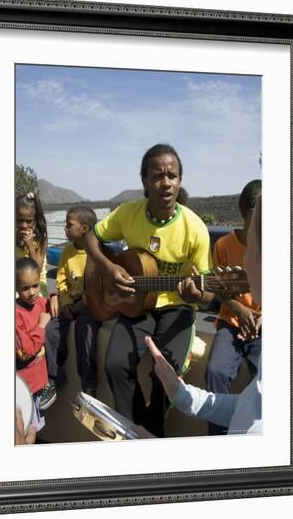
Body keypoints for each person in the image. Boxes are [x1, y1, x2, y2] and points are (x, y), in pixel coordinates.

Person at [84, 143, 213, 435]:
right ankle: (129, 429)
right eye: (157, 175)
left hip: (177, 307)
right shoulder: (128, 213)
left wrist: (197, 295)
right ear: (144, 180)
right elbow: (92, 237)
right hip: (137, 304)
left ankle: (151, 434)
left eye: (173, 175)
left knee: (166, 374)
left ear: (180, 180)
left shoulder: (195, 228)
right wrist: (107, 267)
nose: (166, 182)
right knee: (115, 364)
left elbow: (209, 292)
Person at [145, 194, 262, 435]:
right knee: (216, 371)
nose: (242, 262)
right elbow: (248, 406)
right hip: (230, 323)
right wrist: (180, 393)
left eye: (252, 245)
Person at [205, 179, 262, 435]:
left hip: (262, 326)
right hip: (231, 323)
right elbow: (218, 289)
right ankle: (221, 440)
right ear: (251, 213)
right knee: (215, 372)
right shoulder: (223, 246)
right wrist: (238, 309)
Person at [45, 206, 101, 396]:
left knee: (84, 333)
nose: (65, 229)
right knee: (51, 331)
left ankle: (89, 385)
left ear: (84, 229)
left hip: (88, 305)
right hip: (69, 304)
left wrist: (77, 307)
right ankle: (54, 378)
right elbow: (61, 280)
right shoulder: (67, 252)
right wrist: (65, 302)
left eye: (69, 225)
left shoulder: (97, 253)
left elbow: (95, 289)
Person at [15, 257, 57, 413]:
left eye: (35, 286)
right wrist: (41, 326)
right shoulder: (16, 314)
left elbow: (57, 305)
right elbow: (24, 353)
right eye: (25, 288)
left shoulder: (40, 302)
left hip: (41, 384)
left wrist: (54, 296)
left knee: (34, 429)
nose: (32, 292)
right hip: (26, 386)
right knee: (26, 431)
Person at [16, 192, 57, 311]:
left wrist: (30, 246)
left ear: (35, 221)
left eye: (28, 221)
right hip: (19, 286)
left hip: (36, 286)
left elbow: (37, 269)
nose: (24, 225)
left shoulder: (41, 239)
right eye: (19, 220)